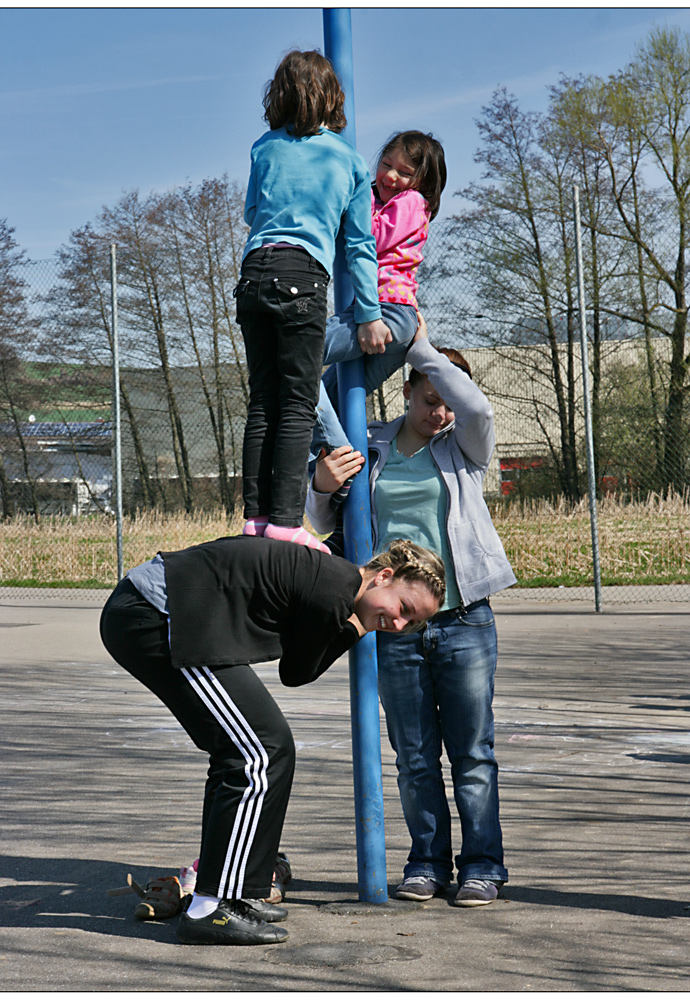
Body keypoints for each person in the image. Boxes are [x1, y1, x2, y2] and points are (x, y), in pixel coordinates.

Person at [100, 534, 445, 945]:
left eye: (413, 623)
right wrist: (356, 626)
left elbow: (296, 672)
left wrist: (357, 625)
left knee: (262, 749)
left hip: (168, 615)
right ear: (384, 576)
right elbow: (298, 669)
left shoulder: (336, 589)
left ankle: (238, 891)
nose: (401, 624)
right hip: (156, 614)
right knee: (259, 752)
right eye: (404, 608)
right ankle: (212, 906)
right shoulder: (332, 591)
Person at [306, 315, 516, 907]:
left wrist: (418, 346)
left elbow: (478, 411)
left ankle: (483, 865)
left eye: (446, 401)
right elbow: (324, 521)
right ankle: (426, 861)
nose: (440, 412)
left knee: (473, 752)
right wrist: (321, 485)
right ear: (406, 392)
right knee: (415, 755)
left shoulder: (463, 448)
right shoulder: (368, 443)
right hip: (393, 624)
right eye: (429, 399)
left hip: (463, 619)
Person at [235, 49, 390, 552]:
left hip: (254, 272)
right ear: (332, 98)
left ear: (278, 96)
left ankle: (257, 518)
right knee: (298, 403)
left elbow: (252, 211)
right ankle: (284, 520)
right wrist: (368, 314)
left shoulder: (263, 147)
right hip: (301, 274)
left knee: (264, 400)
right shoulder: (345, 158)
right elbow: (360, 245)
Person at [310, 131, 447, 503]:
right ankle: (330, 471)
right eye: (386, 164)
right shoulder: (377, 198)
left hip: (389, 313)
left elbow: (371, 236)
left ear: (422, 182)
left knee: (298, 353)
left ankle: (343, 459)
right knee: (325, 396)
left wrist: (343, 208)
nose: (390, 176)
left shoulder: (413, 203)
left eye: (403, 172)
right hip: (384, 319)